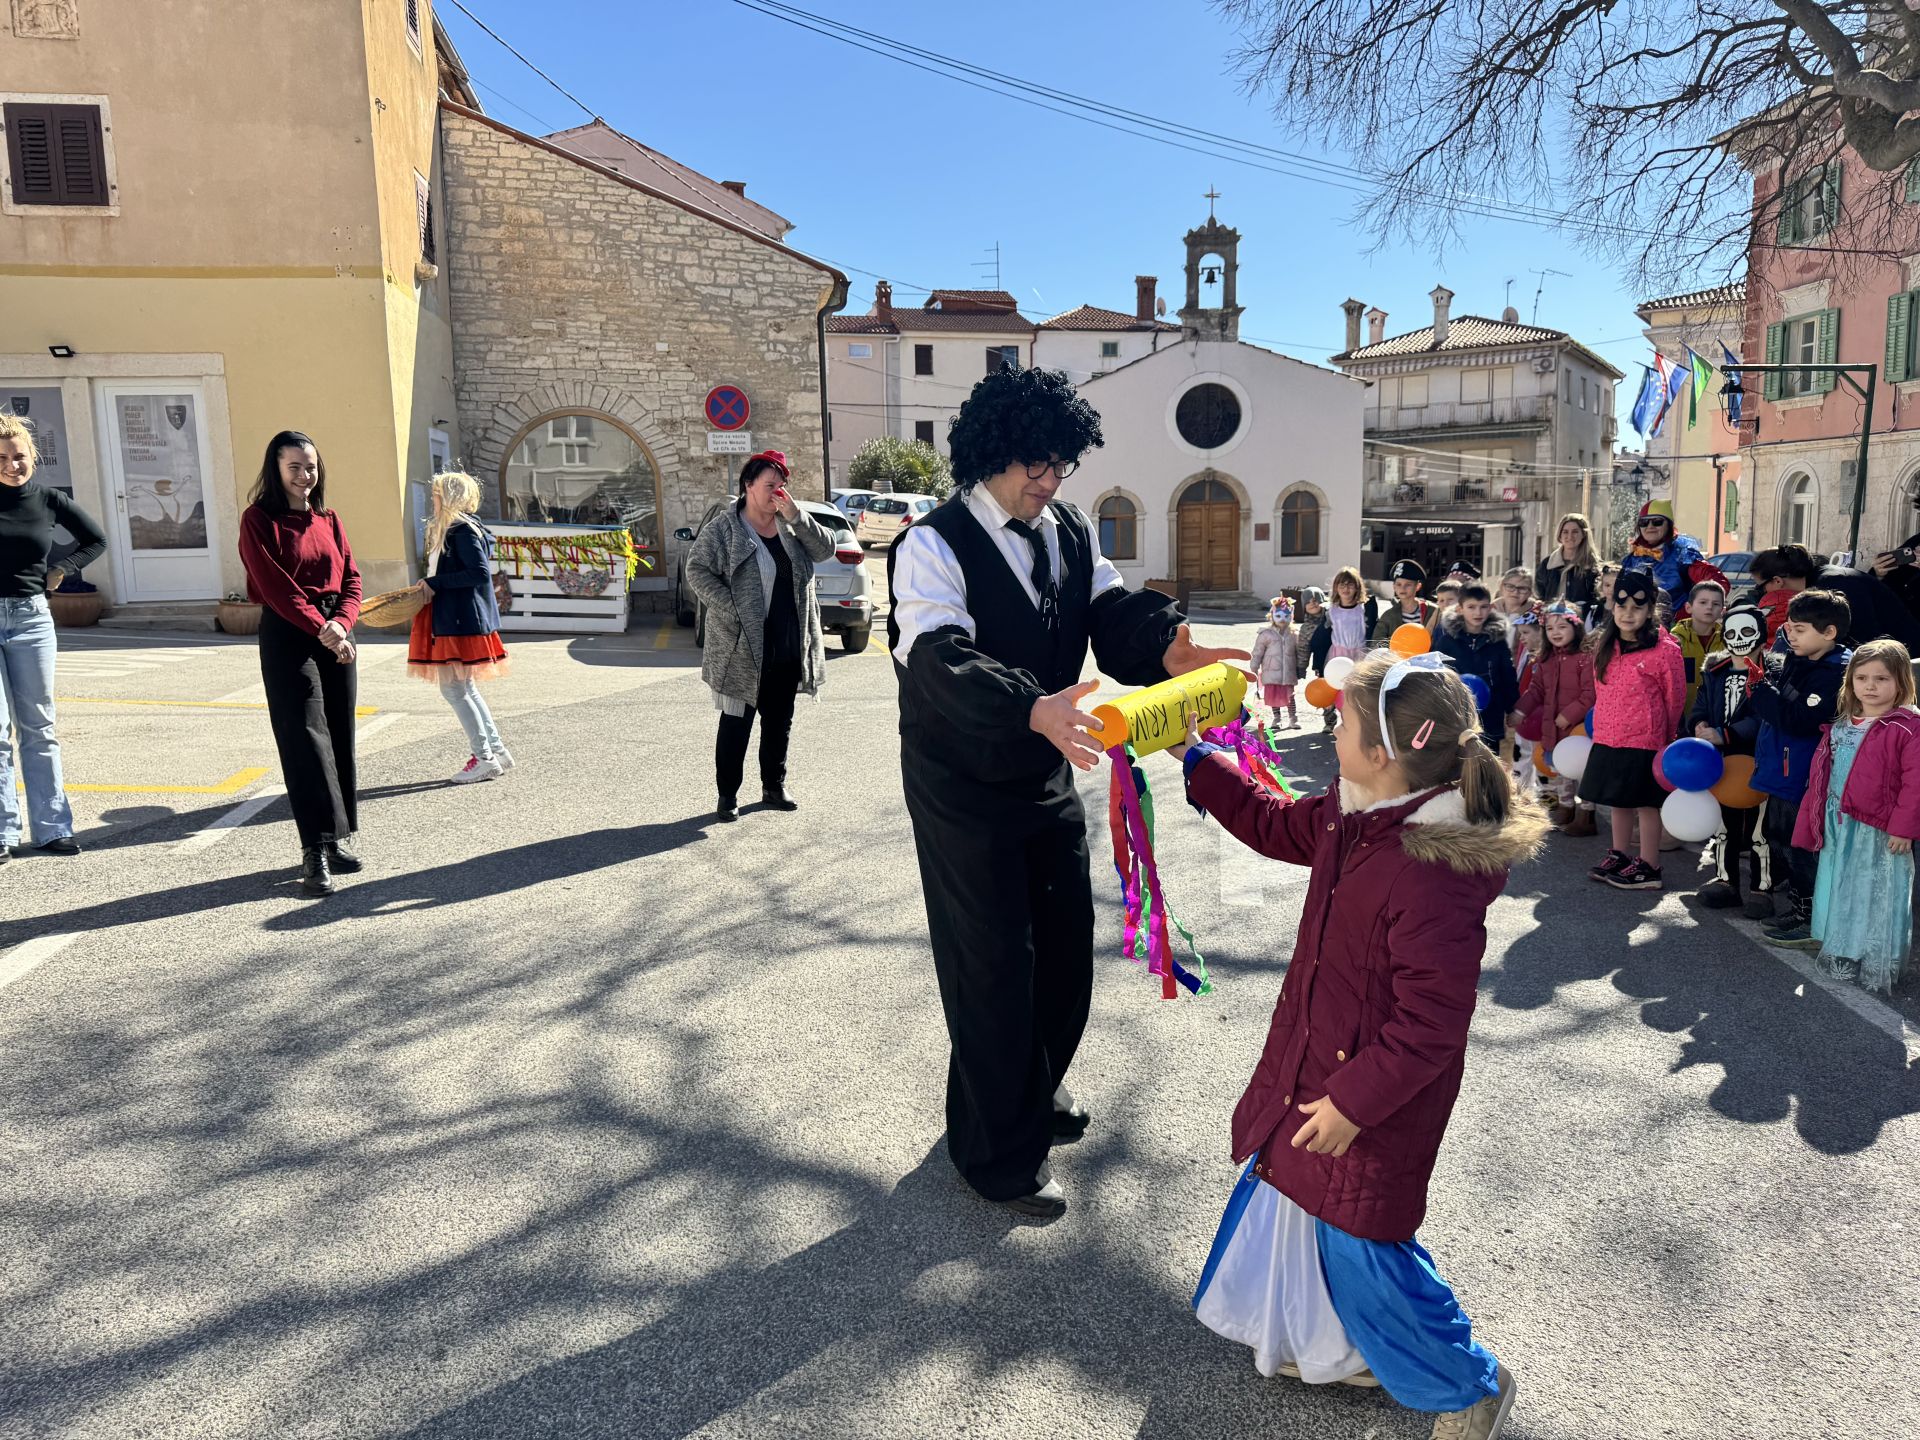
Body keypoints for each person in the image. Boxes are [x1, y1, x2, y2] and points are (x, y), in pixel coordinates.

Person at [887, 365, 1244, 1217]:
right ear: (989, 456)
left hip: (1046, 762)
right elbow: (936, 656)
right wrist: (1029, 705)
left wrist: (1168, 649)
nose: (1047, 483)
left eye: (1061, 467)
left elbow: (1112, 615)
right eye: (1033, 466)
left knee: (1062, 947)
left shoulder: (1070, 530)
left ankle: (1028, 1090)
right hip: (963, 780)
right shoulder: (932, 544)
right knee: (992, 965)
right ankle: (994, 1155)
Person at [1178, 650, 1540, 1440]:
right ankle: (1349, 1348)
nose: (1329, 734)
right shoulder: (1358, 813)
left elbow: (1431, 1025)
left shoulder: (1428, 870)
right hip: (1319, 1064)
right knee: (1313, 1209)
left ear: (1383, 753)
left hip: (1369, 1098)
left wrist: (1352, 1102)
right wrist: (1195, 757)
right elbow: (1272, 824)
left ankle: (1467, 1385)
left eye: (1340, 723)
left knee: (1365, 1243)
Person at [237, 431, 363, 897]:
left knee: (338, 733)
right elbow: (275, 585)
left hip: (336, 631)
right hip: (291, 633)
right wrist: (322, 628)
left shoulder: (328, 518)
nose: (305, 476)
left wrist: (343, 624)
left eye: (310, 466)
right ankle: (314, 847)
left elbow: (352, 575)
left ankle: (337, 838)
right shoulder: (259, 520)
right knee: (304, 737)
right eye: (295, 467)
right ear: (276, 469)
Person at [686, 450, 834, 821]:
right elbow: (697, 569)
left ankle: (773, 786)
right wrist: (730, 607)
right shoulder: (725, 528)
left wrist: (797, 516)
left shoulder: (790, 526)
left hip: (786, 642)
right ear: (748, 485)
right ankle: (727, 796)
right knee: (736, 724)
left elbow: (826, 549)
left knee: (779, 722)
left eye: (781, 486)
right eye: (770, 486)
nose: (777, 493)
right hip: (741, 647)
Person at [0, 412, 106, 861]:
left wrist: (63, 568)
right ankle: (4, 833)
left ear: (33, 457)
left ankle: (52, 828)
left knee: (39, 726)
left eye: (19, 455)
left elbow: (95, 539)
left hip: (31, 619)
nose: (12, 464)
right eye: (3, 457)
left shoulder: (48, 499)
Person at [1791, 639, 1920, 993]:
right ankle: (1845, 947)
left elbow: (1915, 784)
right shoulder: (1843, 724)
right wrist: (1814, 818)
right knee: (1842, 882)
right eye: (1862, 678)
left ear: (1901, 682)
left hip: (1879, 828)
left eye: (1882, 678)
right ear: (1850, 683)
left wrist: (1903, 829)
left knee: (1875, 888)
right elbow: (1822, 778)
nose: (1871, 686)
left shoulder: (1908, 726)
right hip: (1841, 822)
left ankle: (1880, 953)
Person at [1750, 589, 1853, 944]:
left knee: (1802, 845)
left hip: (1805, 776)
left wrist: (1760, 693)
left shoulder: (1833, 672)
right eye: (1788, 628)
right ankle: (1799, 907)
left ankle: (1811, 919)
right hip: (1783, 770)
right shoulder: (1799, 657)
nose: (1789, 634)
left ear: (1829, 633)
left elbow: (1800, 719)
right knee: (1781, 839)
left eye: (1799, 628)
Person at [1581, 570, 1687, 891]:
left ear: (1650, 609)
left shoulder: (1665, 650)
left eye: (1637, 607)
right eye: (1622, 605)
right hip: (1609, 737)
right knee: (1619, 800)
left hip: (1646, 740)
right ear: (1612, 607)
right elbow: (1601, 690)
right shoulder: (1605, 644)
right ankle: (1619, 854)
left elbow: (1675, 697)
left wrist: (1666, 737)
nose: (1628, 614)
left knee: (1645, 803)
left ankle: (1650, 864)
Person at [409, 471, 512, 783]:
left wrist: (433, 583)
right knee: (464, 687)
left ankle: (484, 758)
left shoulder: (460, 531)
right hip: (462, 616)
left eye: (437, 495)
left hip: (459, 618)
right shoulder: (465, 528)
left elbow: (479, 573)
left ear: (448, 497)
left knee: (454, 689)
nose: (433, 500)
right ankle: (495, 751)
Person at [1691, 603, 1768, 912]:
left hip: (1758, 760)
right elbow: (1701, 704)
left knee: (1761, 829)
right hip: (1720, 763)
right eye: (1732, 632)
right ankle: (1726, 881)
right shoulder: (1714, 671)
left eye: (1748, 632)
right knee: (1724, 827)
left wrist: (1727, 733)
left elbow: (1765, 717)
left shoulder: (1771, 671)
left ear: (1762, 636)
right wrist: (1698, 724)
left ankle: (1762, 888)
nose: (1739, 638)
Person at [1516, 600, 1596, 836]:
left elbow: (1590, 694)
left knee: (1583, 770)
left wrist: (1568, 715)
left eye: (1562, 627)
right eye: (1550, 629)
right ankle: (1566, 806)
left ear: (1576, 626)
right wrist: (1520, 711)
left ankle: (1587, 814)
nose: (1556, 633)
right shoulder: (1546, 659)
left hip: (1578, 727)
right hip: (1555, 725)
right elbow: (1536, 690)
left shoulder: (1585, 657)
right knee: (1561, 767)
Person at [1750, 542, 1920, 651]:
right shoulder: (1822, 581)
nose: (1762, 593)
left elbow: (1867, 638)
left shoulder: (1835, 583)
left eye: (1761, 587)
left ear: (1778, 581)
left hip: (1903, 659)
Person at [1431, 582, 1519, 747]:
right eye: (1471, 607)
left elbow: (1508, 676)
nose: (1478, 613)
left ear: (1491, 607)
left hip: (1491, 714)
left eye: (1483, 607)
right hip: (1457, 714)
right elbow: (1436, 676)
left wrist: (1512, 708)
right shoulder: (1447, 641)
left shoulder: (1497, 641)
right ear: (1460, 608)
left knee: (1489, 762)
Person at [1620, 500, 1725, 612]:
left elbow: (1716, 582)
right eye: (1644, 523)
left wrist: (1691, 613)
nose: (1650, 526)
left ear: (1669, 525)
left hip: (1675, 624)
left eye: (1657, 522)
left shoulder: (1683, 553)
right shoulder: (1633, 558)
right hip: (1639, 622)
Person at [1308, 566, 1378, 732]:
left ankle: (1352, 721)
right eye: (1342, 585)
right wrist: (1318, 662)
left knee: (1356, 690)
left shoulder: (1363, 608)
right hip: (1337, 654)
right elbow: (1321, 635)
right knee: (1333, 687)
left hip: (1358, 654)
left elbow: (1373, 629)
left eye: (1350, 585)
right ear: (1336, 588)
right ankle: (1330, 720)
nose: (1346, 589)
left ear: (1357, 587)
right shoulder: (1332, 610)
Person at [1670, 579, 1726, 717]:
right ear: (1688, 607)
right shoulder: (1674, 641)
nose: (1709, 607)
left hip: (1717, 719)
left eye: (1716, 604)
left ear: (1723, 611)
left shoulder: (1729, 642)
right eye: (1703, 602)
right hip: (1681, 719)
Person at [1250, 596, 1299, 729]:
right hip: (1271, 671)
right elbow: (1258, 651)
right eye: (1278, 615)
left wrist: (1301, 667)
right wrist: (1254, 665)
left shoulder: (1294, 634)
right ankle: (1277, 718)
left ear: (1291, 616)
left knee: (1290, 696)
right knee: (1273, 697)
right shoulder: (1266, 634)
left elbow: (1299, 653)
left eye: (1286, 616)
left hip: (1288, 671)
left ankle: (1293, 718)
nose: (1283, 619)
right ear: (1272, 616)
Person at [1533, 512, 1600, 610]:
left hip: (1582, 621)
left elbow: (1597, 599)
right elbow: (1539, 595)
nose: (1570, 536)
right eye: (1565, 532)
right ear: (1559, 535)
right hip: (1551, 620)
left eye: (1575, 532)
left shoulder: (1593, 565)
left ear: (1584, 534)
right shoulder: (1547, 564)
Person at [1368, 559, 1432, 644]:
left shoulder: (1432, 611)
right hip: (1396, 656)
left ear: (1418, 586)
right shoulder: (1388, 616)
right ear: (1394, 586)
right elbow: (1376, 642)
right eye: (1399, 584)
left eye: (1408, 584)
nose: (1402, 588)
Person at [1292, 586, 1326, 679]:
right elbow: (1303, 649)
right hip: (1321, 663)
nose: (1312, 603)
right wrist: (1301, 667)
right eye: (1307, 602)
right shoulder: (1306, 628)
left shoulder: (1332, 617)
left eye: (1315, 600)